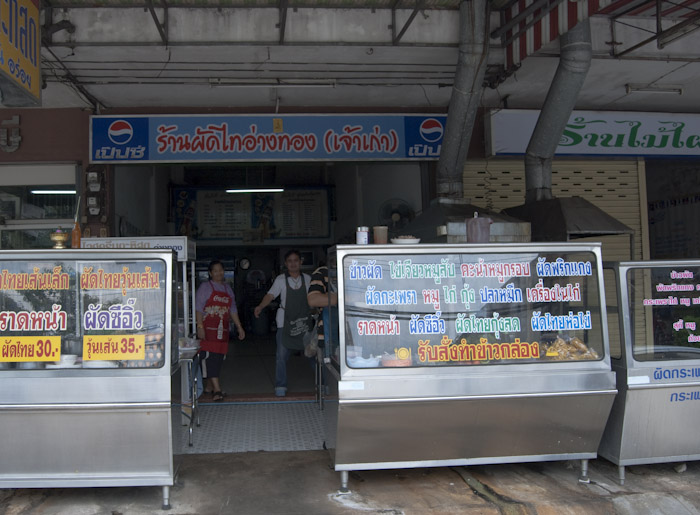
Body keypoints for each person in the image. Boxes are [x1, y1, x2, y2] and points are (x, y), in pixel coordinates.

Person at [253, 249, 312, 397]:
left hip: (304, 322)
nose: (293, 263)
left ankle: (323, 383)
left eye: (296, 260)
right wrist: (260, 306)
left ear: (301, 262)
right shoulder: (280, 279)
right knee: (281, 355)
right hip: (284, 322)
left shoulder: (308, 279)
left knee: (313, 353)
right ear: (286, 263)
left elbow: (314, 298)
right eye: (290, 261)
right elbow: (270, 295)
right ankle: (281, 385)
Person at [195, 260, 245, 402]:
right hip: (208, 329)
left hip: (222, 330)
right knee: (211, 358)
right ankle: (217, 390)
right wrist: (200, 327)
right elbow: (199, 308)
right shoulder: (205, 287)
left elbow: (233, 309)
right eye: (215, 270)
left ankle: (209, 387)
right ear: (210, 273)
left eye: (221, 270)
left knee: (219, 358)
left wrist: (239, 327)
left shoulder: (227, 289)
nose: (219, 273)